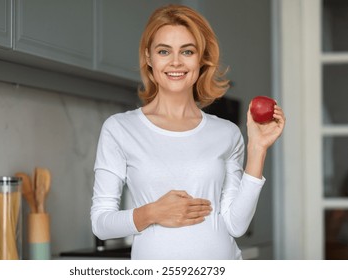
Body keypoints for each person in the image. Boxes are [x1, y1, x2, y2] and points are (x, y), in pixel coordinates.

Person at [90, 4, 285, 260]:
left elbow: (236, 225)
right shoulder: (120, 129)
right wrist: (152, 213)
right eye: (163, 51)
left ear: (201, 59)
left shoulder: (226, 133)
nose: (175, 62)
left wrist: (257, 149)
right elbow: (101, 223)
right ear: (149, 57)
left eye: (187, 51)